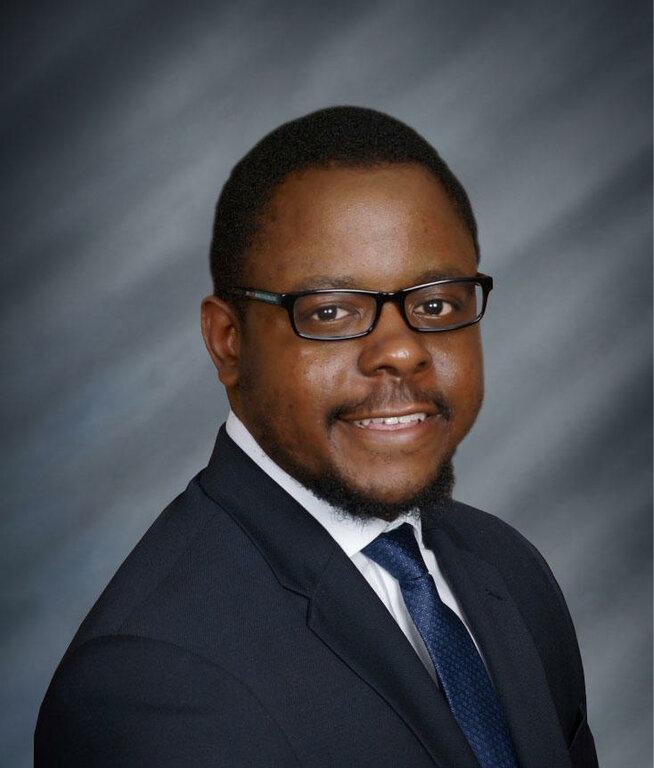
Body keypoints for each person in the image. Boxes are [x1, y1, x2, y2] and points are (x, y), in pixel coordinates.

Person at [35, 106, 599, 767]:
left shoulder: (508, 568)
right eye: (331, 312)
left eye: (436, 304)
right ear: (228, 342)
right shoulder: (150, 682)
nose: (401, 351)